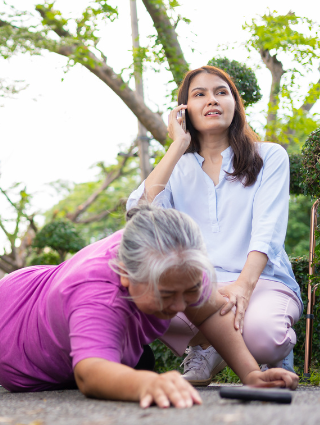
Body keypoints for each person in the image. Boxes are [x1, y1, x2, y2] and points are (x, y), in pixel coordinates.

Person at [0, 205, 298, 408]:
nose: (179, 307)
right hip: (13, 330)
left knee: (131, 363)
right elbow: (89, 376)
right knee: (133, 370)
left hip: (53, 296)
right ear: (126, 276)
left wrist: (251, 375)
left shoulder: (177, 257)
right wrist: (149, 382)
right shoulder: (97, 291)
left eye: (188, 292)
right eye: (166, 295)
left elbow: (212, 311)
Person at [126, 65, 302, 386]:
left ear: (235, 105)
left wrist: (241, 288)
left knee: (266, 338)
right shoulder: (176, 168)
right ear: (184, 111)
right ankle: (206, 345)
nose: (212, 100)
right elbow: (139, 215)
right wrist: (177, 146)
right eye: (200, 94)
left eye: (222, 92)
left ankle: (270, 353)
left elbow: (268, 231)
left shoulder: (270, 156)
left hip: (262, 280)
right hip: (199, 288)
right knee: (140, 306)